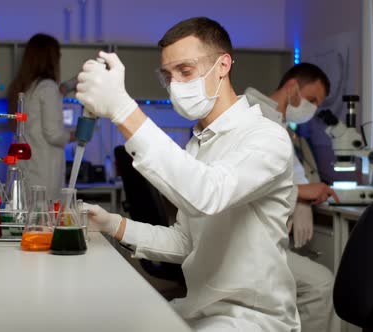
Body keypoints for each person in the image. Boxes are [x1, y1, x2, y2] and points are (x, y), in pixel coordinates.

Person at [76, 17, 300, 332]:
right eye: (169, 76)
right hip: (198, 310)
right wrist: (114, 224)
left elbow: (208, 194)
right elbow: (186, 242)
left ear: (223, 65)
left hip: (250, 319)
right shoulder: (199, 143)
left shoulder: (266, 137)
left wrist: (123, 109)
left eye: (186, 71)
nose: (176, 85)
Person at [245, 63, 340, 332]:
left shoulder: (280, 126)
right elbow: (242, 186)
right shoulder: (255, 120)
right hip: (249, 243)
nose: (312, 108)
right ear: (292, 87)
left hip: (266, 237)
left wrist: (300, 195)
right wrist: (300, 192)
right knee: (321, 284)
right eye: (311, 100)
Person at [7, 33, 73, 201]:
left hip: (25, 170)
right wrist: (77, 134)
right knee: (43, 223)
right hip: (44, 176)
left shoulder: (24, 87)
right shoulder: (48, 87)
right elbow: (53, 134)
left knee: (25, 222)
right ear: (51, 59)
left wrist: (64, 89)